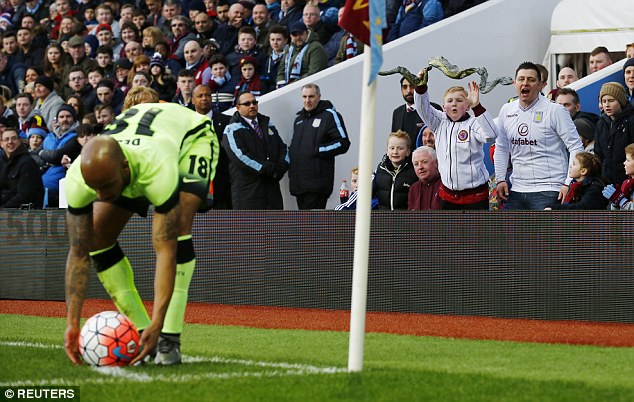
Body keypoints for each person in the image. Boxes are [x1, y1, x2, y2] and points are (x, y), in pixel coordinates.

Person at [63, 100, 220, 367]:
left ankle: (168, 339)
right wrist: (72, 323)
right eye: (95, 189)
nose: (100, 196)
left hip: (191, 138)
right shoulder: (78, 178)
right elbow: (78, 253)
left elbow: (165, 249)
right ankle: (139, 330)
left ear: (124, 169)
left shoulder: (158, 170)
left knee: (178, 225)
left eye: (106, 187)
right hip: (137, 148)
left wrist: (159, 322)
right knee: (97, 237)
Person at [494, 61, 583, 210]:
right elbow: (502, 147)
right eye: (521, 79)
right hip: (516, 189)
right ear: (514, 83)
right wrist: (500, 179)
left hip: (549, 189)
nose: (525, 83)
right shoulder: (506, 110)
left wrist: (569, 182)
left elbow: (576, 147)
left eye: (531, 80)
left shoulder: (555, 110)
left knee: (543, 234)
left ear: (540, 85)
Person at [414, 68, 497, 210]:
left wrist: (477, 107)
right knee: (450, 233)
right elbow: (422, 108)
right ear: (444, 106)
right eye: (450, 101)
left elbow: (491, 135)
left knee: (475, 233)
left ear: (467, 106)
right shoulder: (439, 122)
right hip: (448, 196)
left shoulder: (474, 123)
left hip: (476, 195)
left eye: (459, 100)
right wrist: (421, 87)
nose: (454, 104)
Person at [222, 92, 288, 209]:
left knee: (275, 227)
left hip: (272, 192)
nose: (252, 106)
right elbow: (241, 157)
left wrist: (281, 168)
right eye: (247, 103)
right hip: (248, 194)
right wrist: (268, 169)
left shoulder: (267, 124)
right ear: (238, 107)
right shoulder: (231, 129)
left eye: (254, 102)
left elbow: (282, 148)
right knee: (250, 228)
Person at [289, 83, 350, 209]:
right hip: (299, 185)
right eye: (304, 97)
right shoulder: (299, 120)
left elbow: (343, 143)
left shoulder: (329, 115)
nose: (307, 100)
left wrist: (318, 150)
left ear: (319, 97)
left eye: (311, 96)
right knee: (304, 226)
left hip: (317, 184)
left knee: (313, 226)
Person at [191, 84, 232, 209]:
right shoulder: (184, 123)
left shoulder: (228, 121)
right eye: (200, 96)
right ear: (193, 100)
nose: (204, 98)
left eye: (207, 95)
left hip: (223, 184)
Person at [594, 82, 634, 185]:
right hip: (605, 181)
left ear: (621, 101)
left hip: (627, 182)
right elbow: (598, 155)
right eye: (604, 101)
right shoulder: (601, 123)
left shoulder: (631, 121)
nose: (607, 105)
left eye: (611, 100)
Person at [41, 104, 79, 207]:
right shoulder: (50, 137)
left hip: (60, 190)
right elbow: (35, 157)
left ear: (74, 119)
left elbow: (56, 156)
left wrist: (42, 153)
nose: (65, 119)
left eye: (68, 116)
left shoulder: (77, 138)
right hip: (43, 187)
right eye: (61, 117)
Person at [372, 130, 417, 210]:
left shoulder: (414, 171)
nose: (395, 152)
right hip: (384, 218)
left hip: (405, 219)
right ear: (387, 151)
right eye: (392, 148)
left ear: (408, 152)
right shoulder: (380, 169)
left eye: (400, 148)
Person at [0, 127, 44, 208]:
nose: (10, 142)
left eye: (14, 139)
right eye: (6, 139)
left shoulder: (27, 163)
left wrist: (2, 209)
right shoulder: (2, 161)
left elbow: (24, 196)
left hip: (25, 214)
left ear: (19, 141)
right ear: (1, 143)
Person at [276, 21, 328, 88]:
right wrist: (281, 82)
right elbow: (281, 70)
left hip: (309, 88)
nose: (298, 37)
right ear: (290, 36)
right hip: (290, 87)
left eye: (300, 34)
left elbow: (314, 72)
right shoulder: (289, 49)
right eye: (295, 35)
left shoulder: (315, 47)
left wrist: (294, 83)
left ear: (306, 33)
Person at [391, 76, 424, 147]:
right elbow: (394, 140)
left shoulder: (432, 109)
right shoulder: (397, 113)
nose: (408, 90)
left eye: (412, 86)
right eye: (405, 87)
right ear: (401, 90)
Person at [408, 145, 442, 210]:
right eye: (416, 164)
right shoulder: (414, 188)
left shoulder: (445, 186)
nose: (420, 167)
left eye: (424, 162)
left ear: (436, 163)